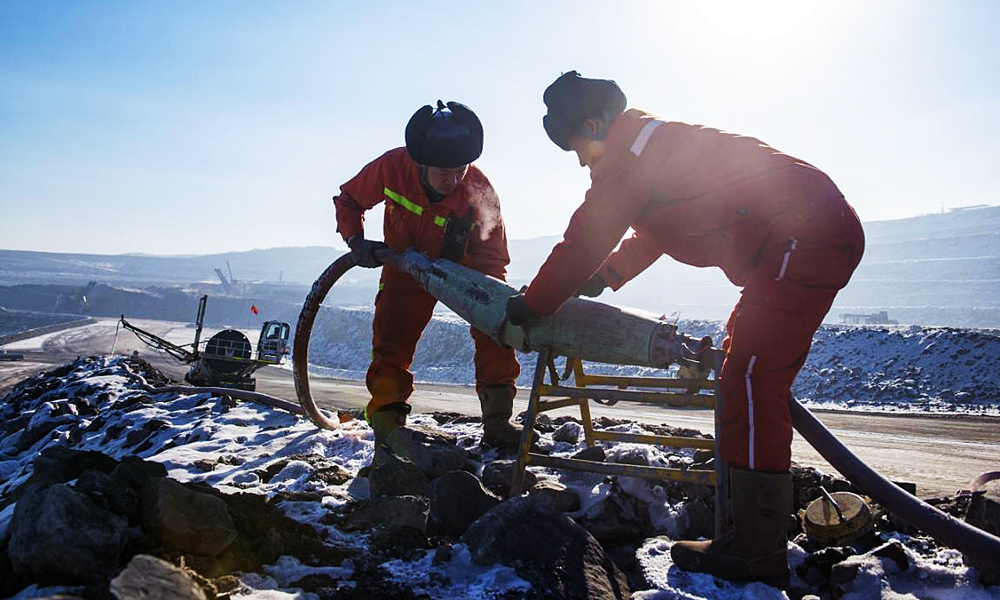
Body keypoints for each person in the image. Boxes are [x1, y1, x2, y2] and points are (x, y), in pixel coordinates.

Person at [506, 71, 865, 588]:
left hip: (805, 236)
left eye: (580, 150)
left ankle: (756, 551)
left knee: (751, 379)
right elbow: (654, 227)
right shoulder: (652, 145)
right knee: (740, 368)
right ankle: (745, 533)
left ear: (593, 124)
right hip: (800, 236)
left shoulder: (629, 159)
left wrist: (534, 303)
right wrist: (608, 275)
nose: (582, 162)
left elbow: (585, 237)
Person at [333, 100, 522, 450]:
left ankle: (498, 423)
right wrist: (356, 240)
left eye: (459, 171)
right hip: (405, 267)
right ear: (420, 163)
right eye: (443, 174)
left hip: (468, 271)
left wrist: (496, 302)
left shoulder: (480, 192)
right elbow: (349, 199)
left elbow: (493, 259)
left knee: (495, 332)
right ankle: (389, 429)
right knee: (391, 340)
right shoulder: (392, 168)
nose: (453, 181)